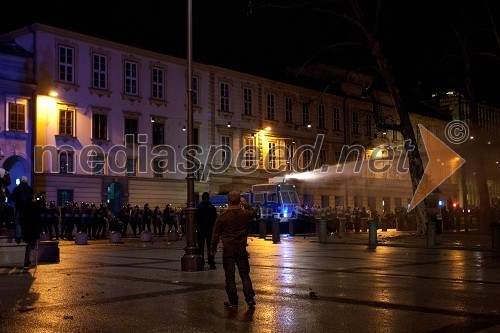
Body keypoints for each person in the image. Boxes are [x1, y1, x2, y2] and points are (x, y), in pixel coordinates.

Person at [210, 191, 257, 308]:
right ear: (239, 201)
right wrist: (246, 204)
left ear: (228, 201)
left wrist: (213, 248)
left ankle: (233, 301)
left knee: (230, 276)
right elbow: (254, 212)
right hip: (241, 248)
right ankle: (249, 299)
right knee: (245, 274)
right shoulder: (245, 214)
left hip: (228, 249)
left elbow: (215, 235)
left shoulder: (222, 217)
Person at [10, 176, 38, 270]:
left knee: (18, 221)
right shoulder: (30, 189)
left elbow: (12, 197)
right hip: (27, 211)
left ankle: (18, 236)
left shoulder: (17, 189)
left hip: (19, 208)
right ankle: (27, 262)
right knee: (24, 224)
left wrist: (18, 201)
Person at [196, 192, 218, 269]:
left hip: (201, 229)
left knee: (200, 247)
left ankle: (201, 262)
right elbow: (215, 219)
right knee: (210, 246)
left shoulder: (198, 207)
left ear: (202, 198)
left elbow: (196, 219)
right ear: (208, 198)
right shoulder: (212, 207)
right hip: (210, 229)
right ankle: (211, 262)